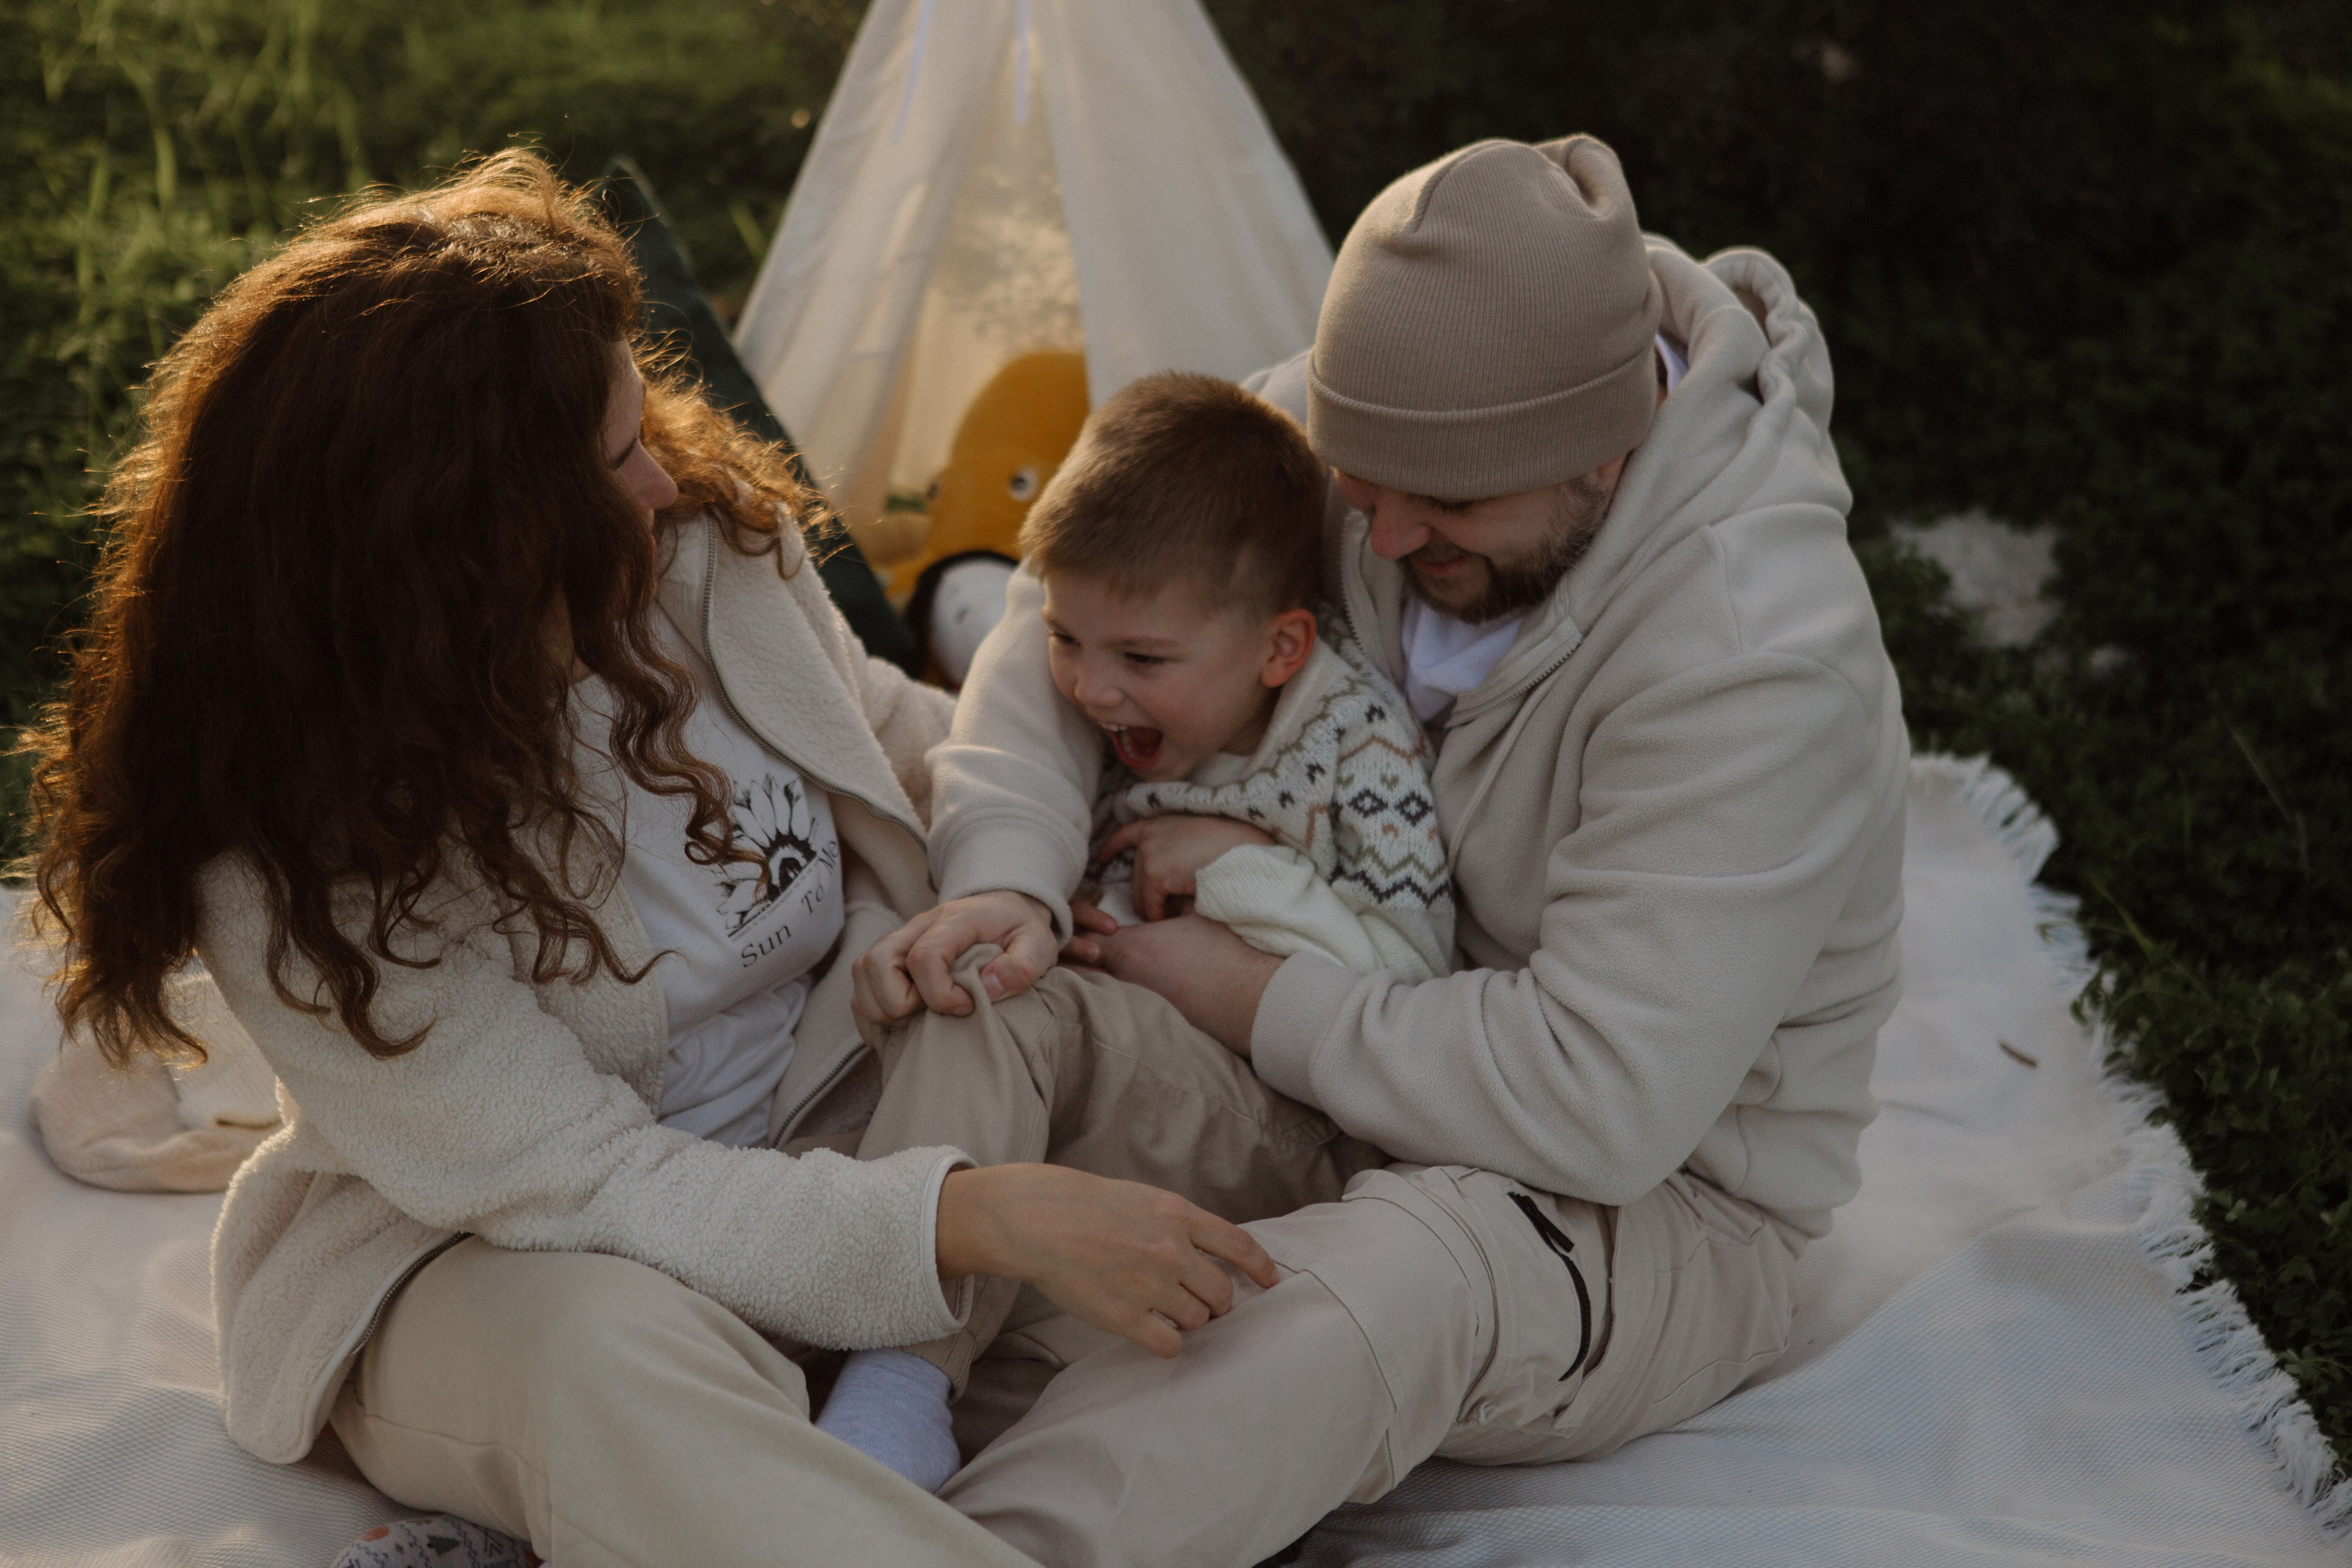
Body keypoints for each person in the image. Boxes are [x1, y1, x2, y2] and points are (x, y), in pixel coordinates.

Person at [20, 150, 1282, 1568]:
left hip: (851, 1135)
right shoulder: (300, 847)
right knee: (613, 1355)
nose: (665, 474)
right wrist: (969, 1215)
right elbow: (589, 1181)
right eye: (612, 457)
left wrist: (1167, 831)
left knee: (1223, 1241)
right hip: (527, 1256)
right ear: (457, 538)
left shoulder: (697, 555)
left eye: (641, 425)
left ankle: (672, 1500)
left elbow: (902, 740)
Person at [856, 133, 1910, 1564]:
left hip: (1629, 1196)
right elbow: (1079, 619)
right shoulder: (1371, 424)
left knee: (1349, 1303)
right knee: (965, 984)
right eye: (1363, 480)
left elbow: (1599, 1098)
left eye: (1452, 505)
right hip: (1310, 1060)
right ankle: (840, 1400)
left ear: (1607, 446)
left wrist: (1235, 986)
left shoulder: (1754, 653)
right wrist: (1007, 874)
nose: (1386, 528)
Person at [817, 370, 1451, 1488]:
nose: (1093, 690)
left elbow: (1406, 978)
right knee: (975, 994)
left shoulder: (1359, 751)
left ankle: (897, 1386)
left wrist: (1246, 873)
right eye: (1066, 639)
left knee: (1003, 1024)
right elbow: (1006, 758)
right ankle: (885, 1404)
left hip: (1281, 1119)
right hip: (1113, 1076)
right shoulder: (1118, 705)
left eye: (1141, 662)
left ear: (1280, 649)